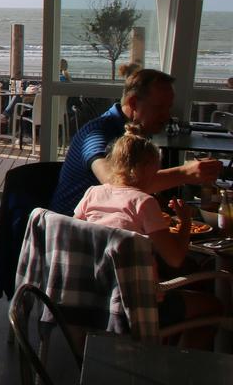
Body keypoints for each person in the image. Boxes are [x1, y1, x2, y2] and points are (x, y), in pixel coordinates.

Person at [73, 132, 221, 347]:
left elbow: (75, 232)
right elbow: (175, 259)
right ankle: (182, 363)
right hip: (135, 306)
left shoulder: (92, 193)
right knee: (212, 306)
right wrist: (186, 222)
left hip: (93, 298)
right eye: (155, 168)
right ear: (144, 169)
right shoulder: (143, 202)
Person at [50, 68, 222, 216]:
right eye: (159, 108)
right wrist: (185, 173)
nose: (167, 116)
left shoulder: (137, 132)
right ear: (133, 103)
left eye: (168, 108)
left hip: (108, 224)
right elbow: (115, 184)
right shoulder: (97, 132)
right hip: (74, 230)